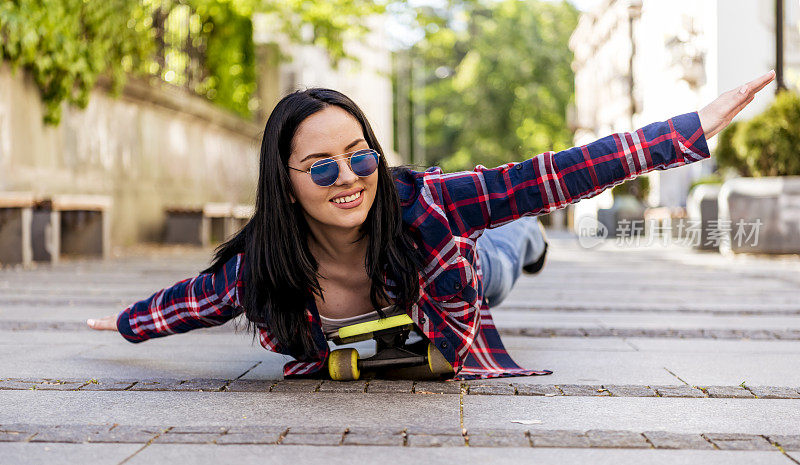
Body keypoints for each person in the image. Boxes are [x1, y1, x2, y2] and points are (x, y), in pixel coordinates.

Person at [88, 70, 776, 380]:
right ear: (287, 188)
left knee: (509, 241)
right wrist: (121, 322)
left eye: (359, 156)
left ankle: (529, 237)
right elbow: (187, 301)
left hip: (457, 270)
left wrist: (686, 130)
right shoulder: (261, 269)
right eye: (321, 168)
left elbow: (557, 171)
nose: (350, 177)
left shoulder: (424, 202)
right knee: (495, 229)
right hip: (414, 292)